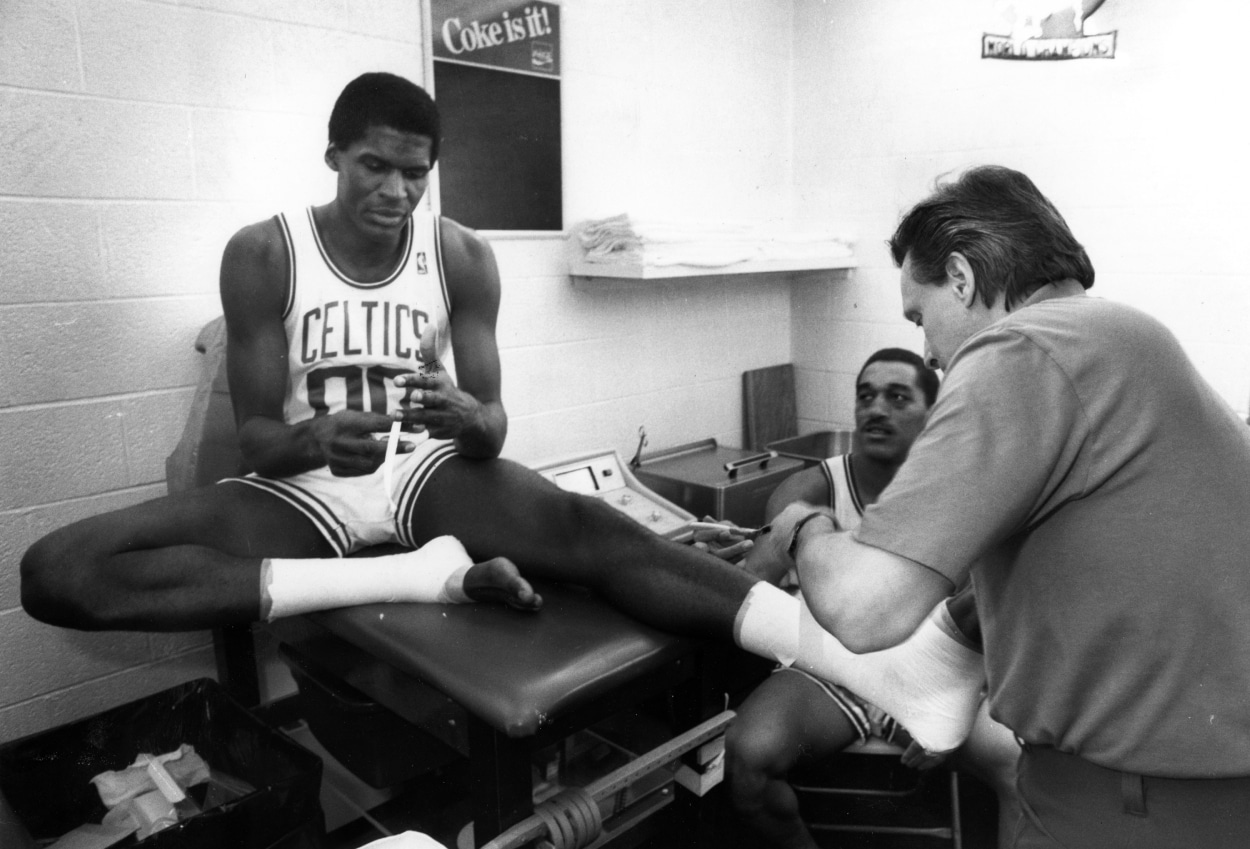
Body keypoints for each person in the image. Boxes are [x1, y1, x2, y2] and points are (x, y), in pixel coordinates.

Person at [20, 73, 983, 759]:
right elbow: (262, 440)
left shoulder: (463, 258)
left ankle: (883, 671)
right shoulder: (263, 254)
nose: (396, 192)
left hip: (419, 475)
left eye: (417, 173)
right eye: (374, 168)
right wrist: (310, 438)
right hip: (303, 489)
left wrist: (466, 414)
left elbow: (493, 432)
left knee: (594, 532)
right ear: (333, 157)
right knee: (58, 572)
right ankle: (423, 577)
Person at [754, 165, 1250, 847]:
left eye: (919, 316)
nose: (926, 350)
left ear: (961, 277)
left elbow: (865, 610)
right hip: (1200, 789)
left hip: (1129, 805)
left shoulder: (1021, 349)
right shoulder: (1125, 337)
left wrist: (804, 528)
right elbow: (1106, 555)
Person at [726, 348, 1019, 849]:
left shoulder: (968, 489)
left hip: (936, 673)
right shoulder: (812, 489)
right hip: (830, 672)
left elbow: (997, 607)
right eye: (866, 396)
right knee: (747, 758)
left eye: (897, 397)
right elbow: (750, 585)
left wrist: (957, 702)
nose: (875, 409)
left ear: (934, 412)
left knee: (1021, 770)